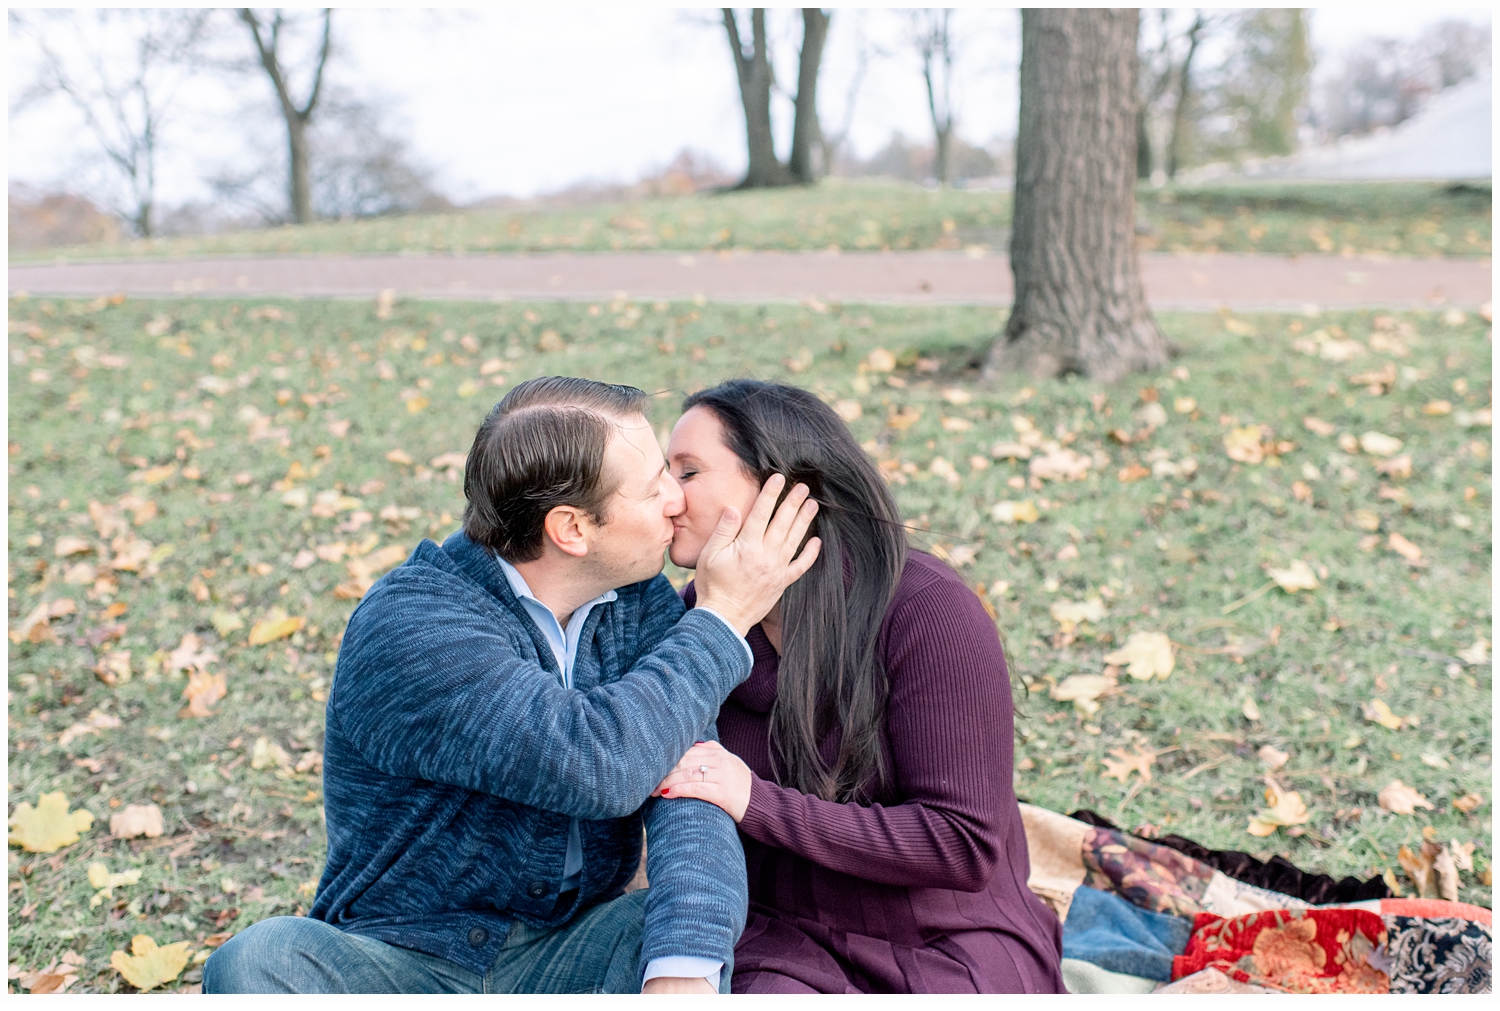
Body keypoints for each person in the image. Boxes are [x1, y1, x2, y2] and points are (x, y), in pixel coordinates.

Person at [205, 376, 822, 994]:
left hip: (571, 946)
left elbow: (694, 787)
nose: (675, 502)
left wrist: (680, 974)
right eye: (653, 485)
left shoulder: (639, 606)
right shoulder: (415, 626)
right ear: (571, 529)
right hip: (401, 954)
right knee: (260, 960)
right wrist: (722, 618)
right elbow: (595, 763)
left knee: (677, 935)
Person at [652, 379, 1065, 994]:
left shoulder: (925, 608)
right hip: (780, 940)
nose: (664, 495)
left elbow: (961, 844)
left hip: (942, 937)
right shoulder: (701, 626)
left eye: (687, 472)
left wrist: (756, 801)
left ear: (781, 490)